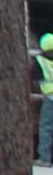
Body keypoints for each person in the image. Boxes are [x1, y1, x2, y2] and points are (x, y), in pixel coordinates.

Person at [36, 32, 52, 167]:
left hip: (51, 98)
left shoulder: (41, 61)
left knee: (46, 127)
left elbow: (30, 76)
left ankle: (44, 157)